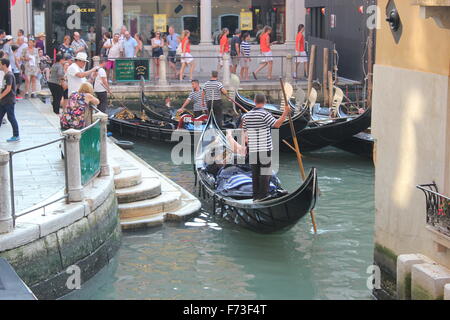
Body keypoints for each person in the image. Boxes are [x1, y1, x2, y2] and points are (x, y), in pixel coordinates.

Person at [242, 93, 290, 201]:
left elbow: (244, 132)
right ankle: (263, 197)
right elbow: (276, 125)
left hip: (253, 148)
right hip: (264, 147)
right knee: (265, 172)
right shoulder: (265, 114)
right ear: (265, 102)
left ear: (254, 101)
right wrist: (285, 113)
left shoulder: (247, 116)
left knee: (255, 173)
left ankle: (256, 197)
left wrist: (246, 145)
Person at [0, 58, 20, 142]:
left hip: (8, 101)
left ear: (4, 65)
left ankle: (16, 135)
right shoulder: (6, 74)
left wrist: (0, 96)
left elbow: (8, 89)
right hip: (4, 101)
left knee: (11, 117)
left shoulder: (9, 75)